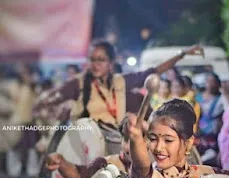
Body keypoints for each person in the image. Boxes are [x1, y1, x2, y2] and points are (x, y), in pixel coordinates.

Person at [34, 40, 204, 126]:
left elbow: (156, 70)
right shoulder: (78, 84)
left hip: (116, 144)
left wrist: (183, 53)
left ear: (110, 62)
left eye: (101, 60)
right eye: (93, 59)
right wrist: (45, 104)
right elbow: (52, 97)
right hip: (83, 146)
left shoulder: (121, 81)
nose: (96, 64)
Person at [196, 72, 224, 165]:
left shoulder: (221, 98)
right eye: (209, 81)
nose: (211, 84)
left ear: (218, 84)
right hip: (199, 133)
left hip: (214, 135)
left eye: (213, 82)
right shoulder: (198, 97)